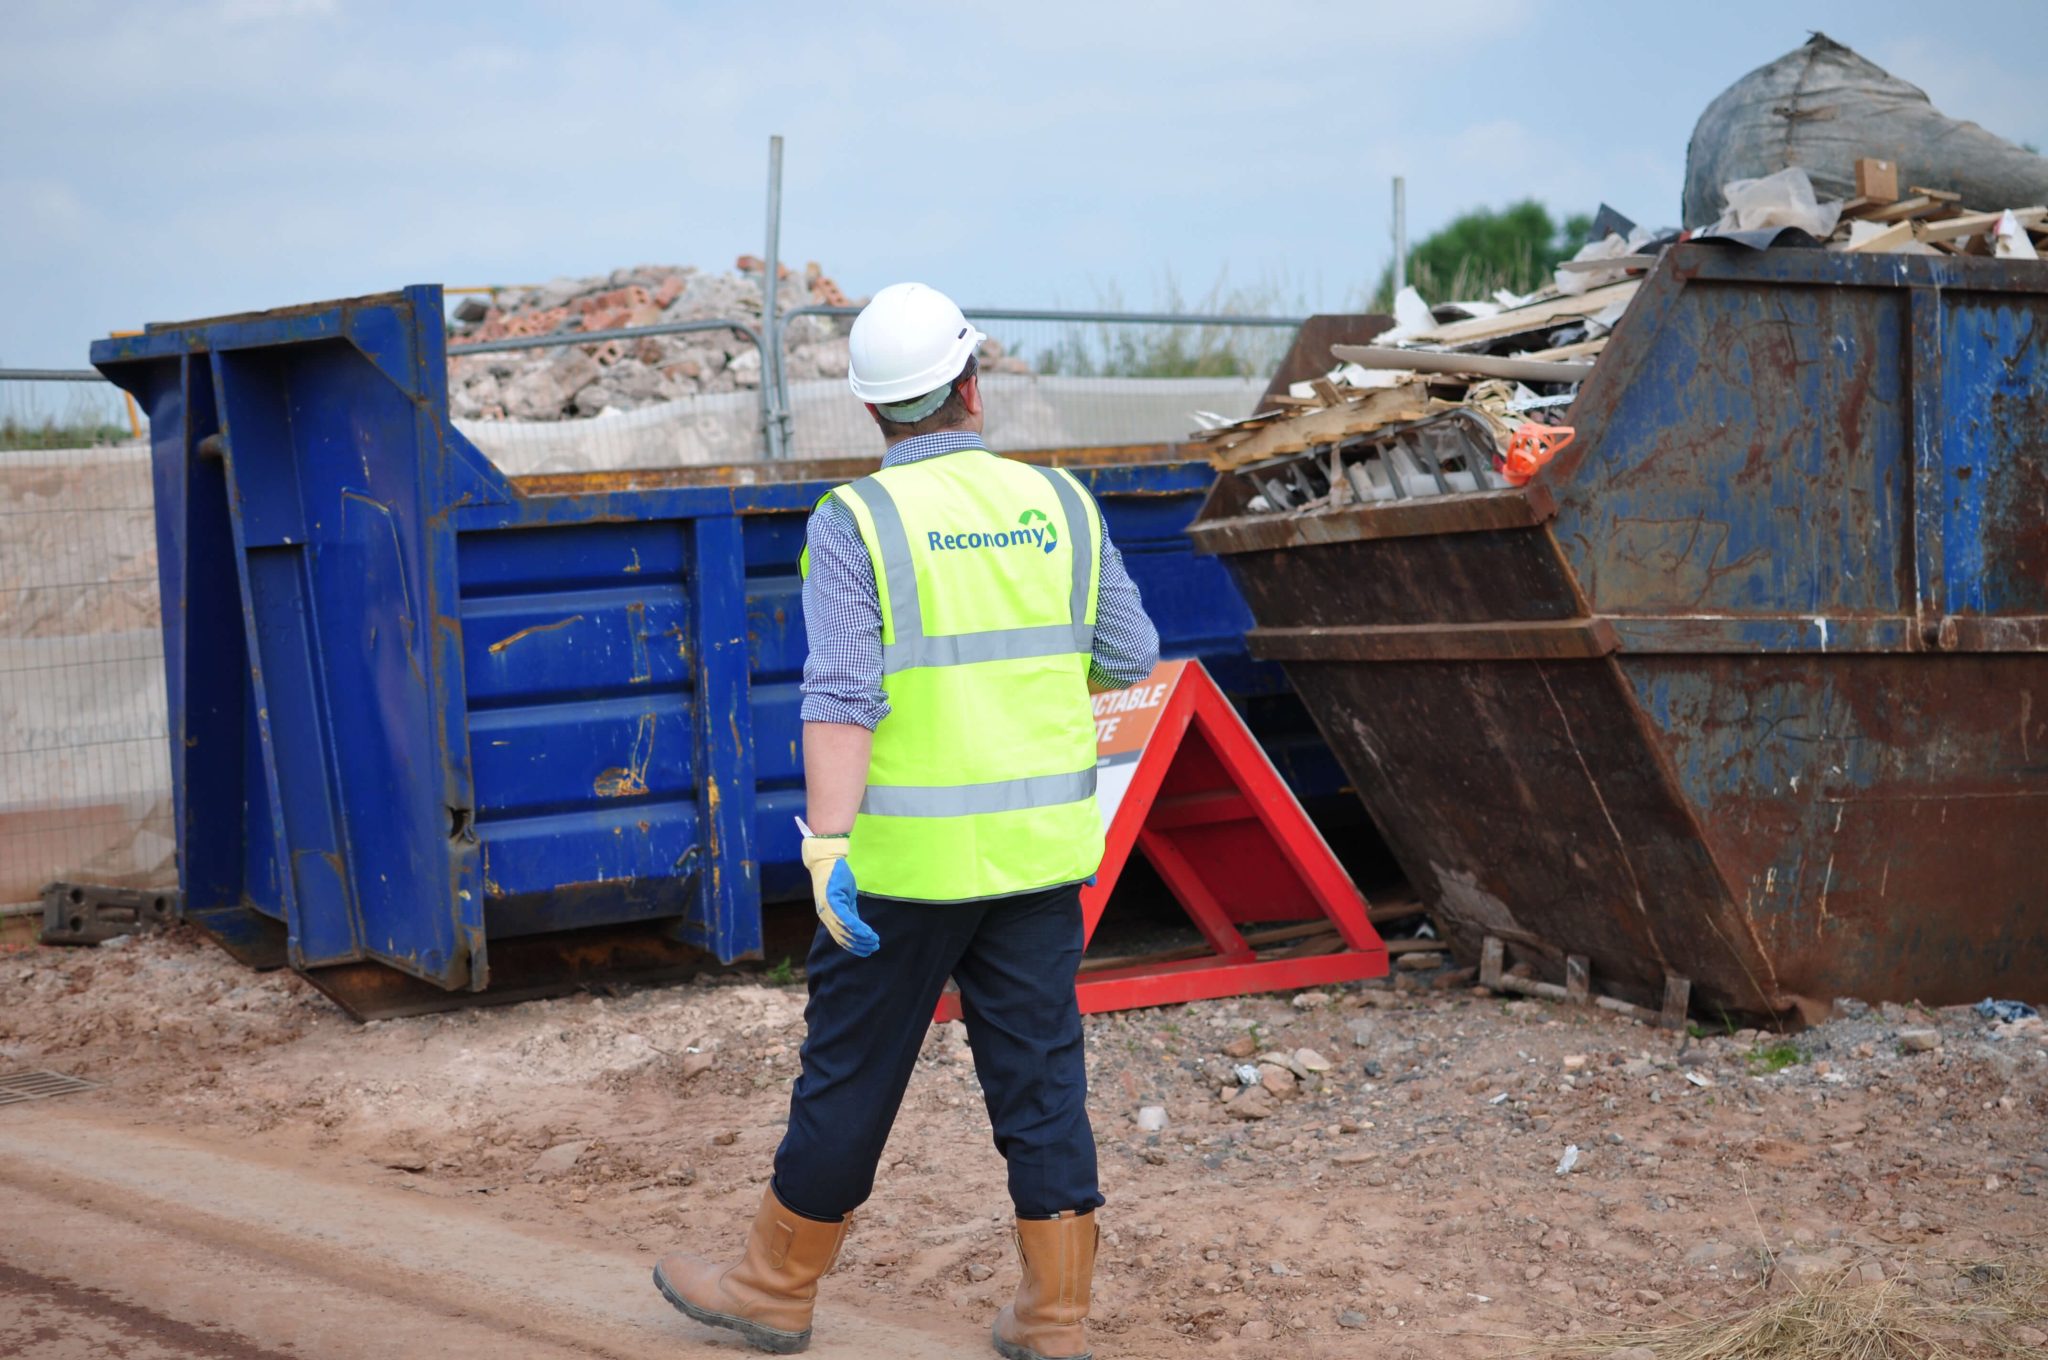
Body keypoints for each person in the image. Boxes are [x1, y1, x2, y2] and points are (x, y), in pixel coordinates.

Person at [653, 282, 1160, 1359]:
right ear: (971, 385)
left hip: (900, 869)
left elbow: (841, 693)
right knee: (1039, 1076)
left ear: (873, 412)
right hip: (1034, 859)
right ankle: (1055, 1316)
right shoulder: (1061, 505)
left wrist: (827, 846)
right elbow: (1126, 652)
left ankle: (775, 1287)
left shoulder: (859, 521)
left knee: (850, 1070)